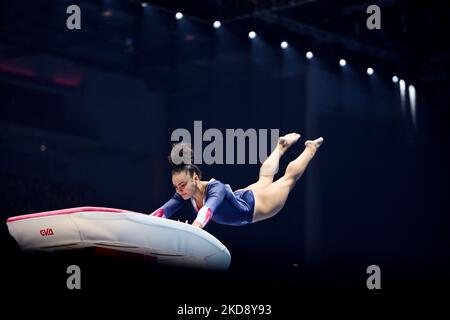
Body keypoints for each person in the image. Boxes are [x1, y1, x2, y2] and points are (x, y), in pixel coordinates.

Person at [150, 133, 323, 229]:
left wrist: (193, 229)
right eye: (176, 187)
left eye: (182, 185)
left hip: (256, 208)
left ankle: (311, 148)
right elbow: (164, 210)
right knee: (264, 178)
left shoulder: (215, 188)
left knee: (288, 179)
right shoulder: (184, 192)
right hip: (242, 197)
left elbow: (208, 211)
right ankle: (280, 147)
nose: (179, 190)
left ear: (196, 178)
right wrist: (143, 221)